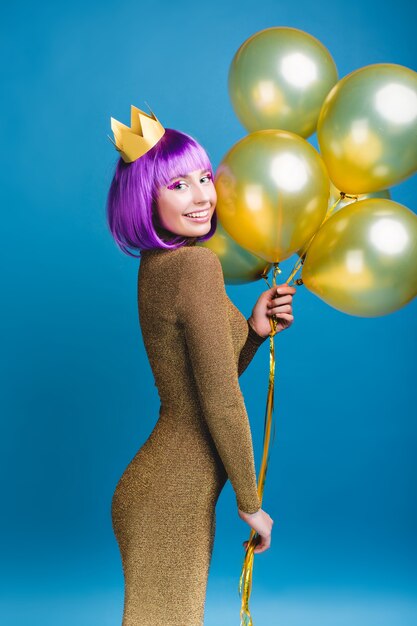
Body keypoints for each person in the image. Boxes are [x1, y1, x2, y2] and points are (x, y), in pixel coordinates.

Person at [106, 105, 296, 625]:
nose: (202, 195)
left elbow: (201, 383)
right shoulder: (195, 266)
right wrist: (249, 499)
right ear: (146, 197)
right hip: (170, 496)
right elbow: (217, 398)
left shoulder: (161, 266)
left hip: (163, 489)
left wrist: (253, 334)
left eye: (205, 178)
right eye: (177, 184)